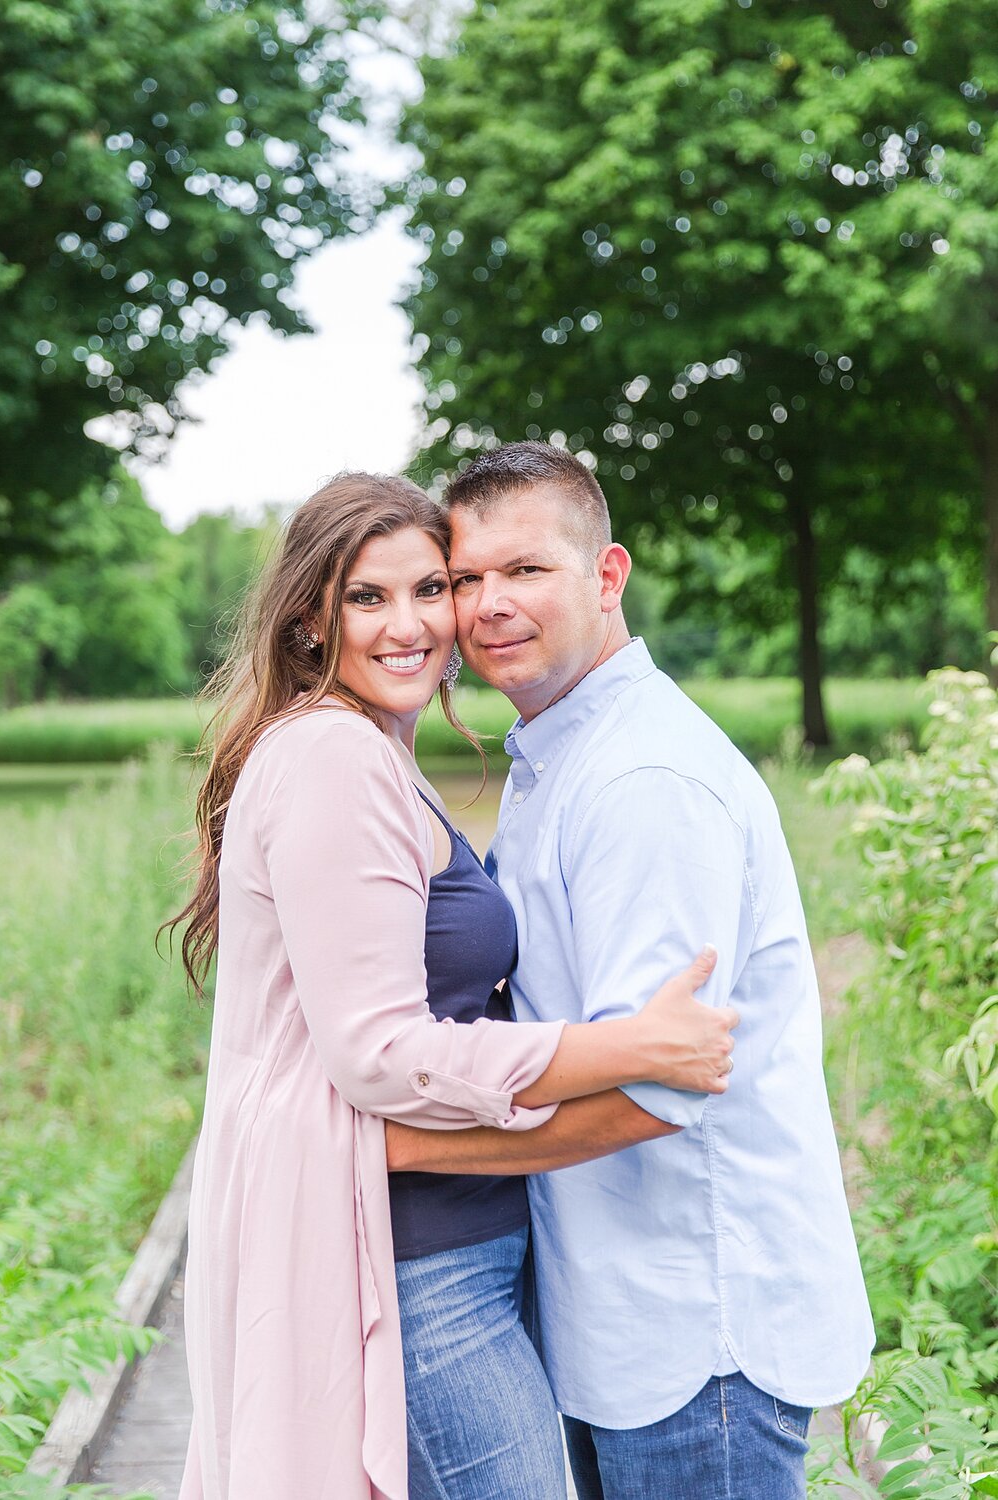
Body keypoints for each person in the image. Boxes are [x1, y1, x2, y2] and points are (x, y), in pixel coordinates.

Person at [168, 472, 737, 1500]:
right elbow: (382, 1053)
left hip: (459, 1237)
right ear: (309, 620)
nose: (411, 625)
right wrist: (633, 1048)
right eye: (367, 598)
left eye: (431, 590)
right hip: (421, 1264)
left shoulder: (377, 758)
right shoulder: (335, 759)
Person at [396, 441, 876, 1499]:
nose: (488, 606)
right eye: (465, 579)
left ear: (605, 577)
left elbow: (657, 1090)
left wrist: (400, 1151)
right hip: (620, 1313)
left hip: (696, 1327)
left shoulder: (642, 779)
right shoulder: (559, 753)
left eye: (525, 571)